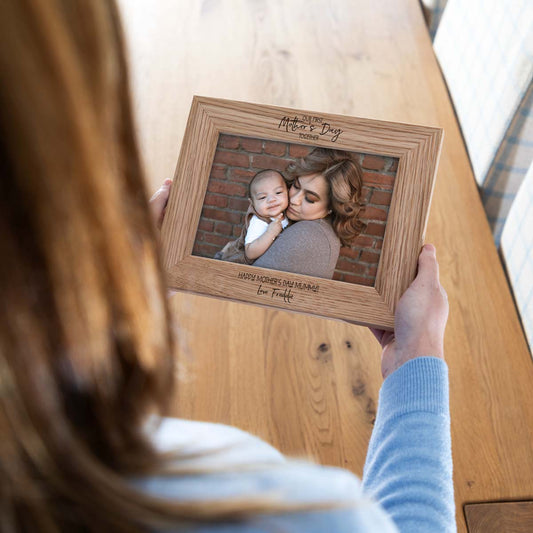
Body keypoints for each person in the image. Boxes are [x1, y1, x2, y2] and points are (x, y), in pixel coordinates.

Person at [0, 1, 455, 532]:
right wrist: (417, 357)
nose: (292, 202)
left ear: (329, 209)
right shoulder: (295, 514)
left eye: (308, 197)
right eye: (293, 193)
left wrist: (111, 299)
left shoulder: (305, 238)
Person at [253, 147, 366, 279]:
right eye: (296, 185)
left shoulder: (305, 235)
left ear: (332, 207)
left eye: (310, 199)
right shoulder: (317, 227)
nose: (294, 200)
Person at [214, 169, 290, 263]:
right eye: (262, 197)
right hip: (236, 263)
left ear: (288, 191)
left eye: (278, 192)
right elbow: (250, 253)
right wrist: (271, 233)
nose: (271, 199)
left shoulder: (288, 213)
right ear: (252, 203)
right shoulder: (259, 222)